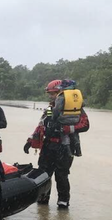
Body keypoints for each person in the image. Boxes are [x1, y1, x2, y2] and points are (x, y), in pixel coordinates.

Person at [24, 80, 89, 208]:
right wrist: (30, 141)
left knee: (61, 175)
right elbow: (42, 124)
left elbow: (85, 125)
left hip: (66, 147)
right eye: (50, 94)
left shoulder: (76, 110)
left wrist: (66, 129)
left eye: (53, 94)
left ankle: (63, 201)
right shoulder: (50, 107)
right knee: (44, 173)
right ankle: (43, 199)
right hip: (48, 146)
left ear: (61, 93)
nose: (51, 96)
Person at [52, 79, 83, 157]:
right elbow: (82, 104)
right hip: (76, 119)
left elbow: (56, 110)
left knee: (64, 134)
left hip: (64, 119)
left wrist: (53, 119)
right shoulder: (78, 94)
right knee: (74, 133)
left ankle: (69, 152)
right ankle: (78, 150)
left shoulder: (62, 96)